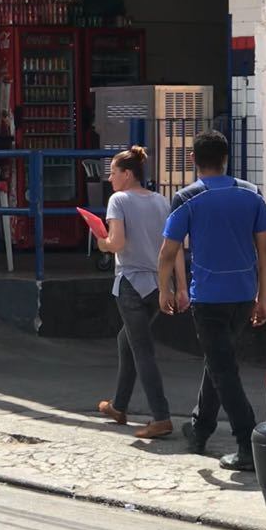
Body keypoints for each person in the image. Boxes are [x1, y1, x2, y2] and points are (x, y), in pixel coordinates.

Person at [158, 130, 266, 472]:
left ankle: (248, 443)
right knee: (218, 360)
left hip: (208, 298)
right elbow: (265, 250)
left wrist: (164, 289)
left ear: (193, 159)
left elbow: (168, 252)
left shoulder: (187, 198)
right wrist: (263, 296)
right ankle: (200, 427)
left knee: (223, 368)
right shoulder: (251, 194)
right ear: (226, 158)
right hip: (243, 295)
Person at [93, 147, 175, 439]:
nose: (110, 178)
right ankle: (119, 405)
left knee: (142, 350)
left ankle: (161, 416)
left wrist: (100, 241)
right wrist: (176, 285)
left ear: (127, 174)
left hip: (130, 282)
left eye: (113, 172)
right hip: (158, 284)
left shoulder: (119, 200)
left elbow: (116, 243)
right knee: (126, 340)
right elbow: (173, 247)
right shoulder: (161, 201)